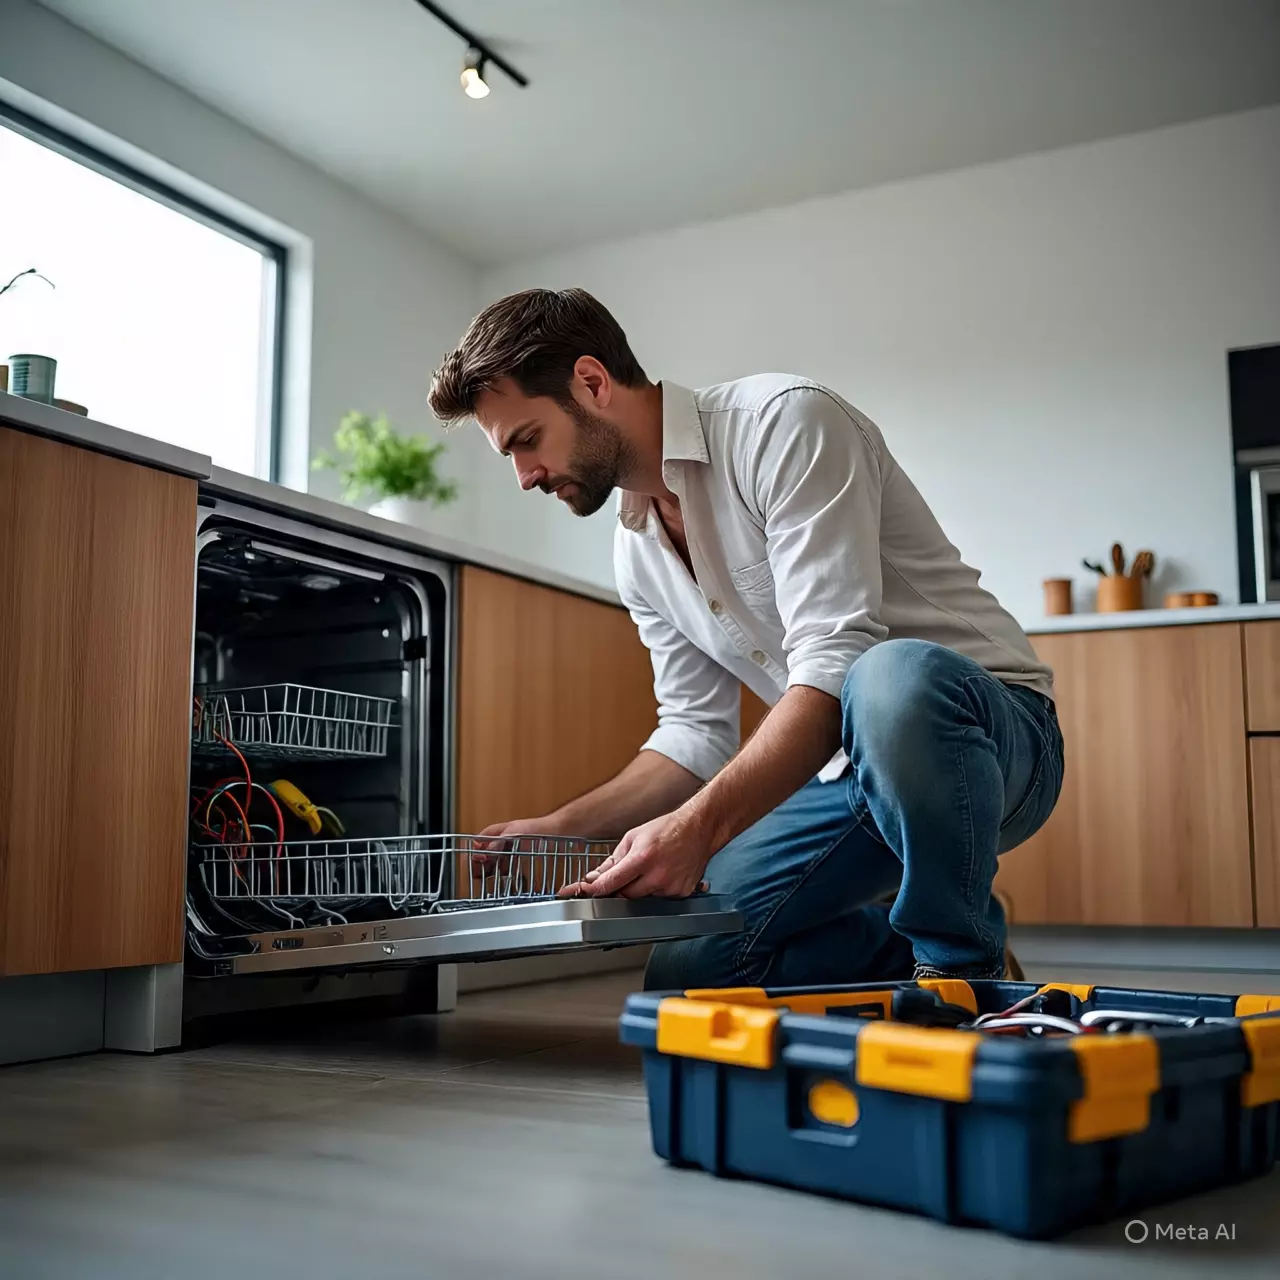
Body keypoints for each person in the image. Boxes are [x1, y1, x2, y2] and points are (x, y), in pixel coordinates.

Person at [428, 287, 1063, 989]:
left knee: (887, 678)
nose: (524, 477)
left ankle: (959, 966)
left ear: (592, 382)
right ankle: (909, 940)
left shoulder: (783, 423)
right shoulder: (637, 549)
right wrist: (562, 825)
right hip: (849, 776)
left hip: (992, 740)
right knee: (690, 968)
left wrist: (699, 827)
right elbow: (695, 735)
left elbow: (835, 661)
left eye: (527, 440)